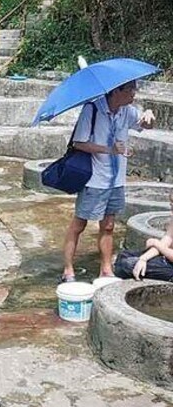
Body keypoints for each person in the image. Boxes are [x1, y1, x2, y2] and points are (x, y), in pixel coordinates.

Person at [61, 80, 155, 282]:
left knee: (109, 225)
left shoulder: (127, 111)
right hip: (95, 179)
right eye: (130, 89)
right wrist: (109, 150)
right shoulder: (92, 110)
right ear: (116, 91)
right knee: (79, 224)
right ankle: (68, 269)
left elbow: (145, 124)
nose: (134, 94)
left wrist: (148, 115)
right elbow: (79, 142)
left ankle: (105, 269)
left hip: (116, 181)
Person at [114, 193, 173, 281]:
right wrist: (143, 259)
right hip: (166, 257)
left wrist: (156, 244)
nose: (171, 208)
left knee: (127, 265)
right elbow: (165, 242)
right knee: (124, 255)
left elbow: (160, 246)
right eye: (171, 203)